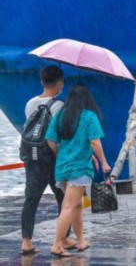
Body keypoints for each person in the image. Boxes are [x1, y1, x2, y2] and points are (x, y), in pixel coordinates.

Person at [45, 84, 111, 257]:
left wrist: (61, 154)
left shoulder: (61, 115)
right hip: (79, 168)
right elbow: (95, 142)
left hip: (62, 168)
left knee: (77, 205)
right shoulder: (89, 117)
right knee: (69, 206)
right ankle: (57, 245)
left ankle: (80, 241)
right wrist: (104, 163)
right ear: (87, 99)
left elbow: (50, 140)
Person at [20, 66, 77, 255]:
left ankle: (26, 241)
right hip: (51, 158)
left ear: (42, 81)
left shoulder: (30, 103)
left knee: (31, 198)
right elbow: (60, 135)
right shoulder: (59, 106)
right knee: (63, 197)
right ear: (59, 83)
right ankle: (63, 238)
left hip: (32, 158)